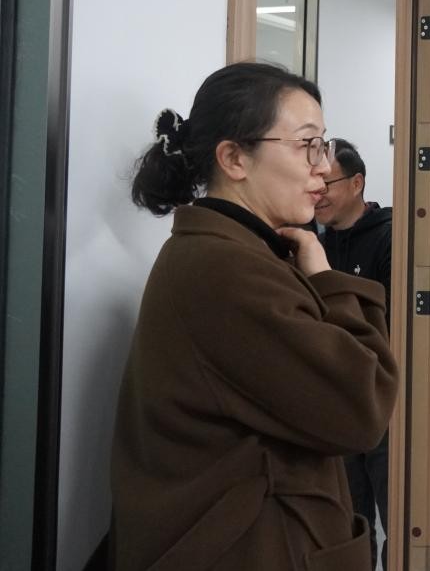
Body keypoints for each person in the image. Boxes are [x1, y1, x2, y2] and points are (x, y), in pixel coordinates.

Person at [112, 62, 398, 571]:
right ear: (234, 158)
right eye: (307, 144)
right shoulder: (225, 270)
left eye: (323, 145)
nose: (321, 167)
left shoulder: (240, 253)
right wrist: (328, 279)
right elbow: (363, 407)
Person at [314, 139, 393, 570]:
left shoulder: (390, 237)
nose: (318, 193)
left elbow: (394, 327)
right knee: (348, 526)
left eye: (327, 183)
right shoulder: (311, 243)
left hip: (381, 406)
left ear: (357, 183)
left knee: (399, 517)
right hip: (333, 404)